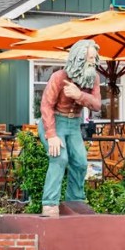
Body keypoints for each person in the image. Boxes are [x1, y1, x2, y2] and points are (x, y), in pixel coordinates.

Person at [38, 39, 102, 217]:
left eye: (94, 59)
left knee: (80, 162)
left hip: (74, 125)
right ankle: (49, 203)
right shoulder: (58, 77)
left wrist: (79, 95)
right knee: (59, 158)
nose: (92, 63)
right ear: (78, 58)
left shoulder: (93, 78)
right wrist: (51, 134)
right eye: (89, 59)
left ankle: (75, 201)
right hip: (54, 122)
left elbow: (97, 105)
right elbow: (45, 106)